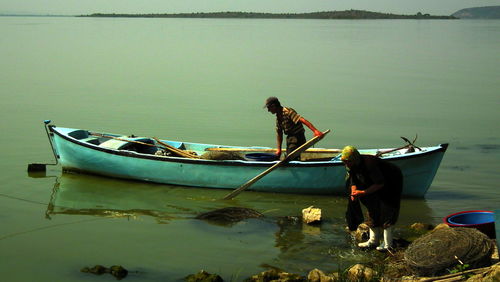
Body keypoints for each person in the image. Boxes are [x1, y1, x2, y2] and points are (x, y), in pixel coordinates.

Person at [341, 145, 403, 251]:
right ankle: (373, 241)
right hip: (371, 182)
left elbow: (380, 183)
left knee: (388, 210)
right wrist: (354, 192)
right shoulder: (350, 165)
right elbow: (353, 180)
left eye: (348, 161)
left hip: (391, 182)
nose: (346, 164)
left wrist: (364, 192)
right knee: (372, 209)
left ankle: (388, 244)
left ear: (355, 159)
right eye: (344, 161)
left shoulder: (370, 164)